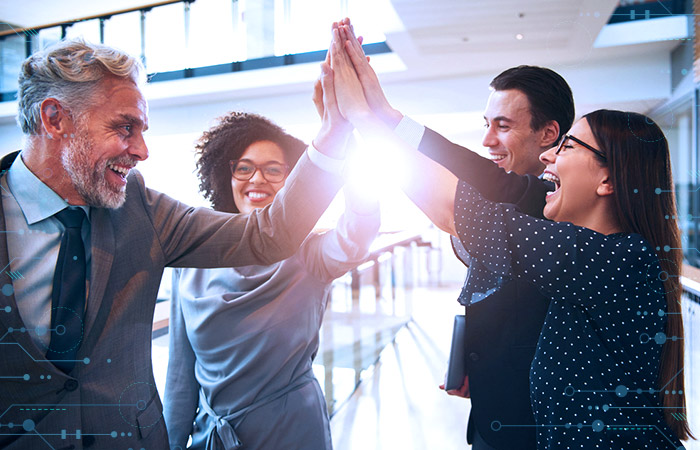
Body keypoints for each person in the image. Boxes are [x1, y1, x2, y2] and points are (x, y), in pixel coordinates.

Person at [327, 26, 691, 448]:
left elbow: (457, 207)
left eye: (568, 147)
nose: (551, 157)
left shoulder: (610, 257)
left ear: (607, 178)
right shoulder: (596, 251)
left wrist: (367, 119)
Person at [0, 38, 350, 450]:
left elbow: (268, 233)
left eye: (142, 131)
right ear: (55, 118)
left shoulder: (142, 210)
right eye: (124, 127)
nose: (142, 151)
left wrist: (332, 137)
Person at [314, 19, 575, 450]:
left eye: (504, 126)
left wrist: (371, 115)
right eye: (486, 123)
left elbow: (455, 201)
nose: (488, 140)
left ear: (548, 133)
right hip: (494, 405)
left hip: (533, 422)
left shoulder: (556, 201)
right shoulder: (516, 193)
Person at [163, 111, 379, 450]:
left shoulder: (309, 255)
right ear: (225, 175)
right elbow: (180, 373)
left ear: (293, 182)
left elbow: (357, 234)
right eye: (244, 167)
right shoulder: (191, 262)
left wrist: (343, 137)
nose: (257, 179)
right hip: (213, 436)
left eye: (274, 169)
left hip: (291, 431)